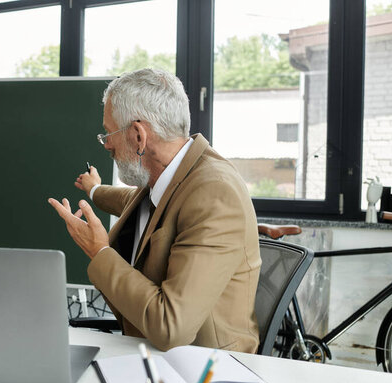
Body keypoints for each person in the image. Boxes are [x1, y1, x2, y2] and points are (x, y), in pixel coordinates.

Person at [48, 69, 261, 353]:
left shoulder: (214, 192)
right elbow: (131, 201)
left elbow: (172, 328)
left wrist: (99, 252)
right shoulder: (169, 179)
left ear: (138, 135)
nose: (106, 143)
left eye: (109, 133)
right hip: (147, 353)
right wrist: (95, 191)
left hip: (203, 372)